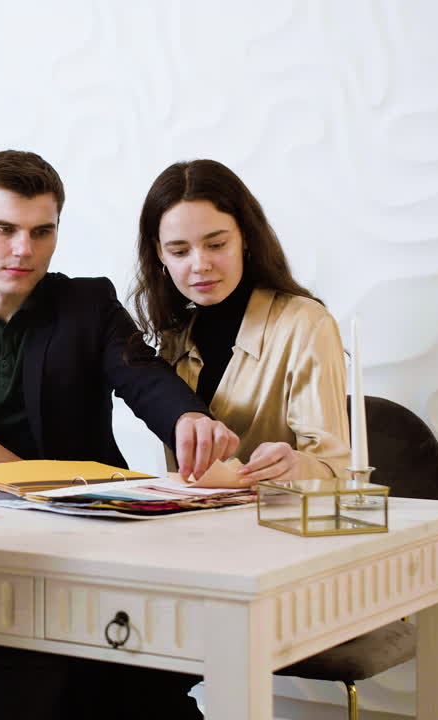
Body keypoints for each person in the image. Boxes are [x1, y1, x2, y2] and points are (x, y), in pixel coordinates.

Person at [0, 150, 232, 719]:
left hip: (90, 540)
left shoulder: (87, 303)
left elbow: (142, 376)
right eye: (4, 229)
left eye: (42, 232)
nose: (24, 249)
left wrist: (186, 417)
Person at [130, 158, 350, 485]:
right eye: (179, 251)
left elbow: (338, 472)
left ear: (246, 236)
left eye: (216, 244)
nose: (200, 264)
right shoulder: (174, 337)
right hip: (190, 516)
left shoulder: (306, 324)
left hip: (278, 516)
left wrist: (299, 468)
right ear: (160, 253)